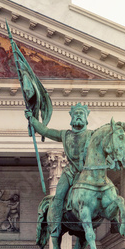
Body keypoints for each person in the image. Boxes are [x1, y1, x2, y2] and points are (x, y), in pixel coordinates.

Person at [24, 102, 92, 241]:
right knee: (58, 197)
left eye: (81, 114)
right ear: (71, 118)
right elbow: (46, 131)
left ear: (86, 118)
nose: (78, 116)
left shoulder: (92, 135)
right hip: (69, 173)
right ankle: (55, 227)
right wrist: (33, 120)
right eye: (76, 113)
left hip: (86, 173)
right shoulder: (65, 135)